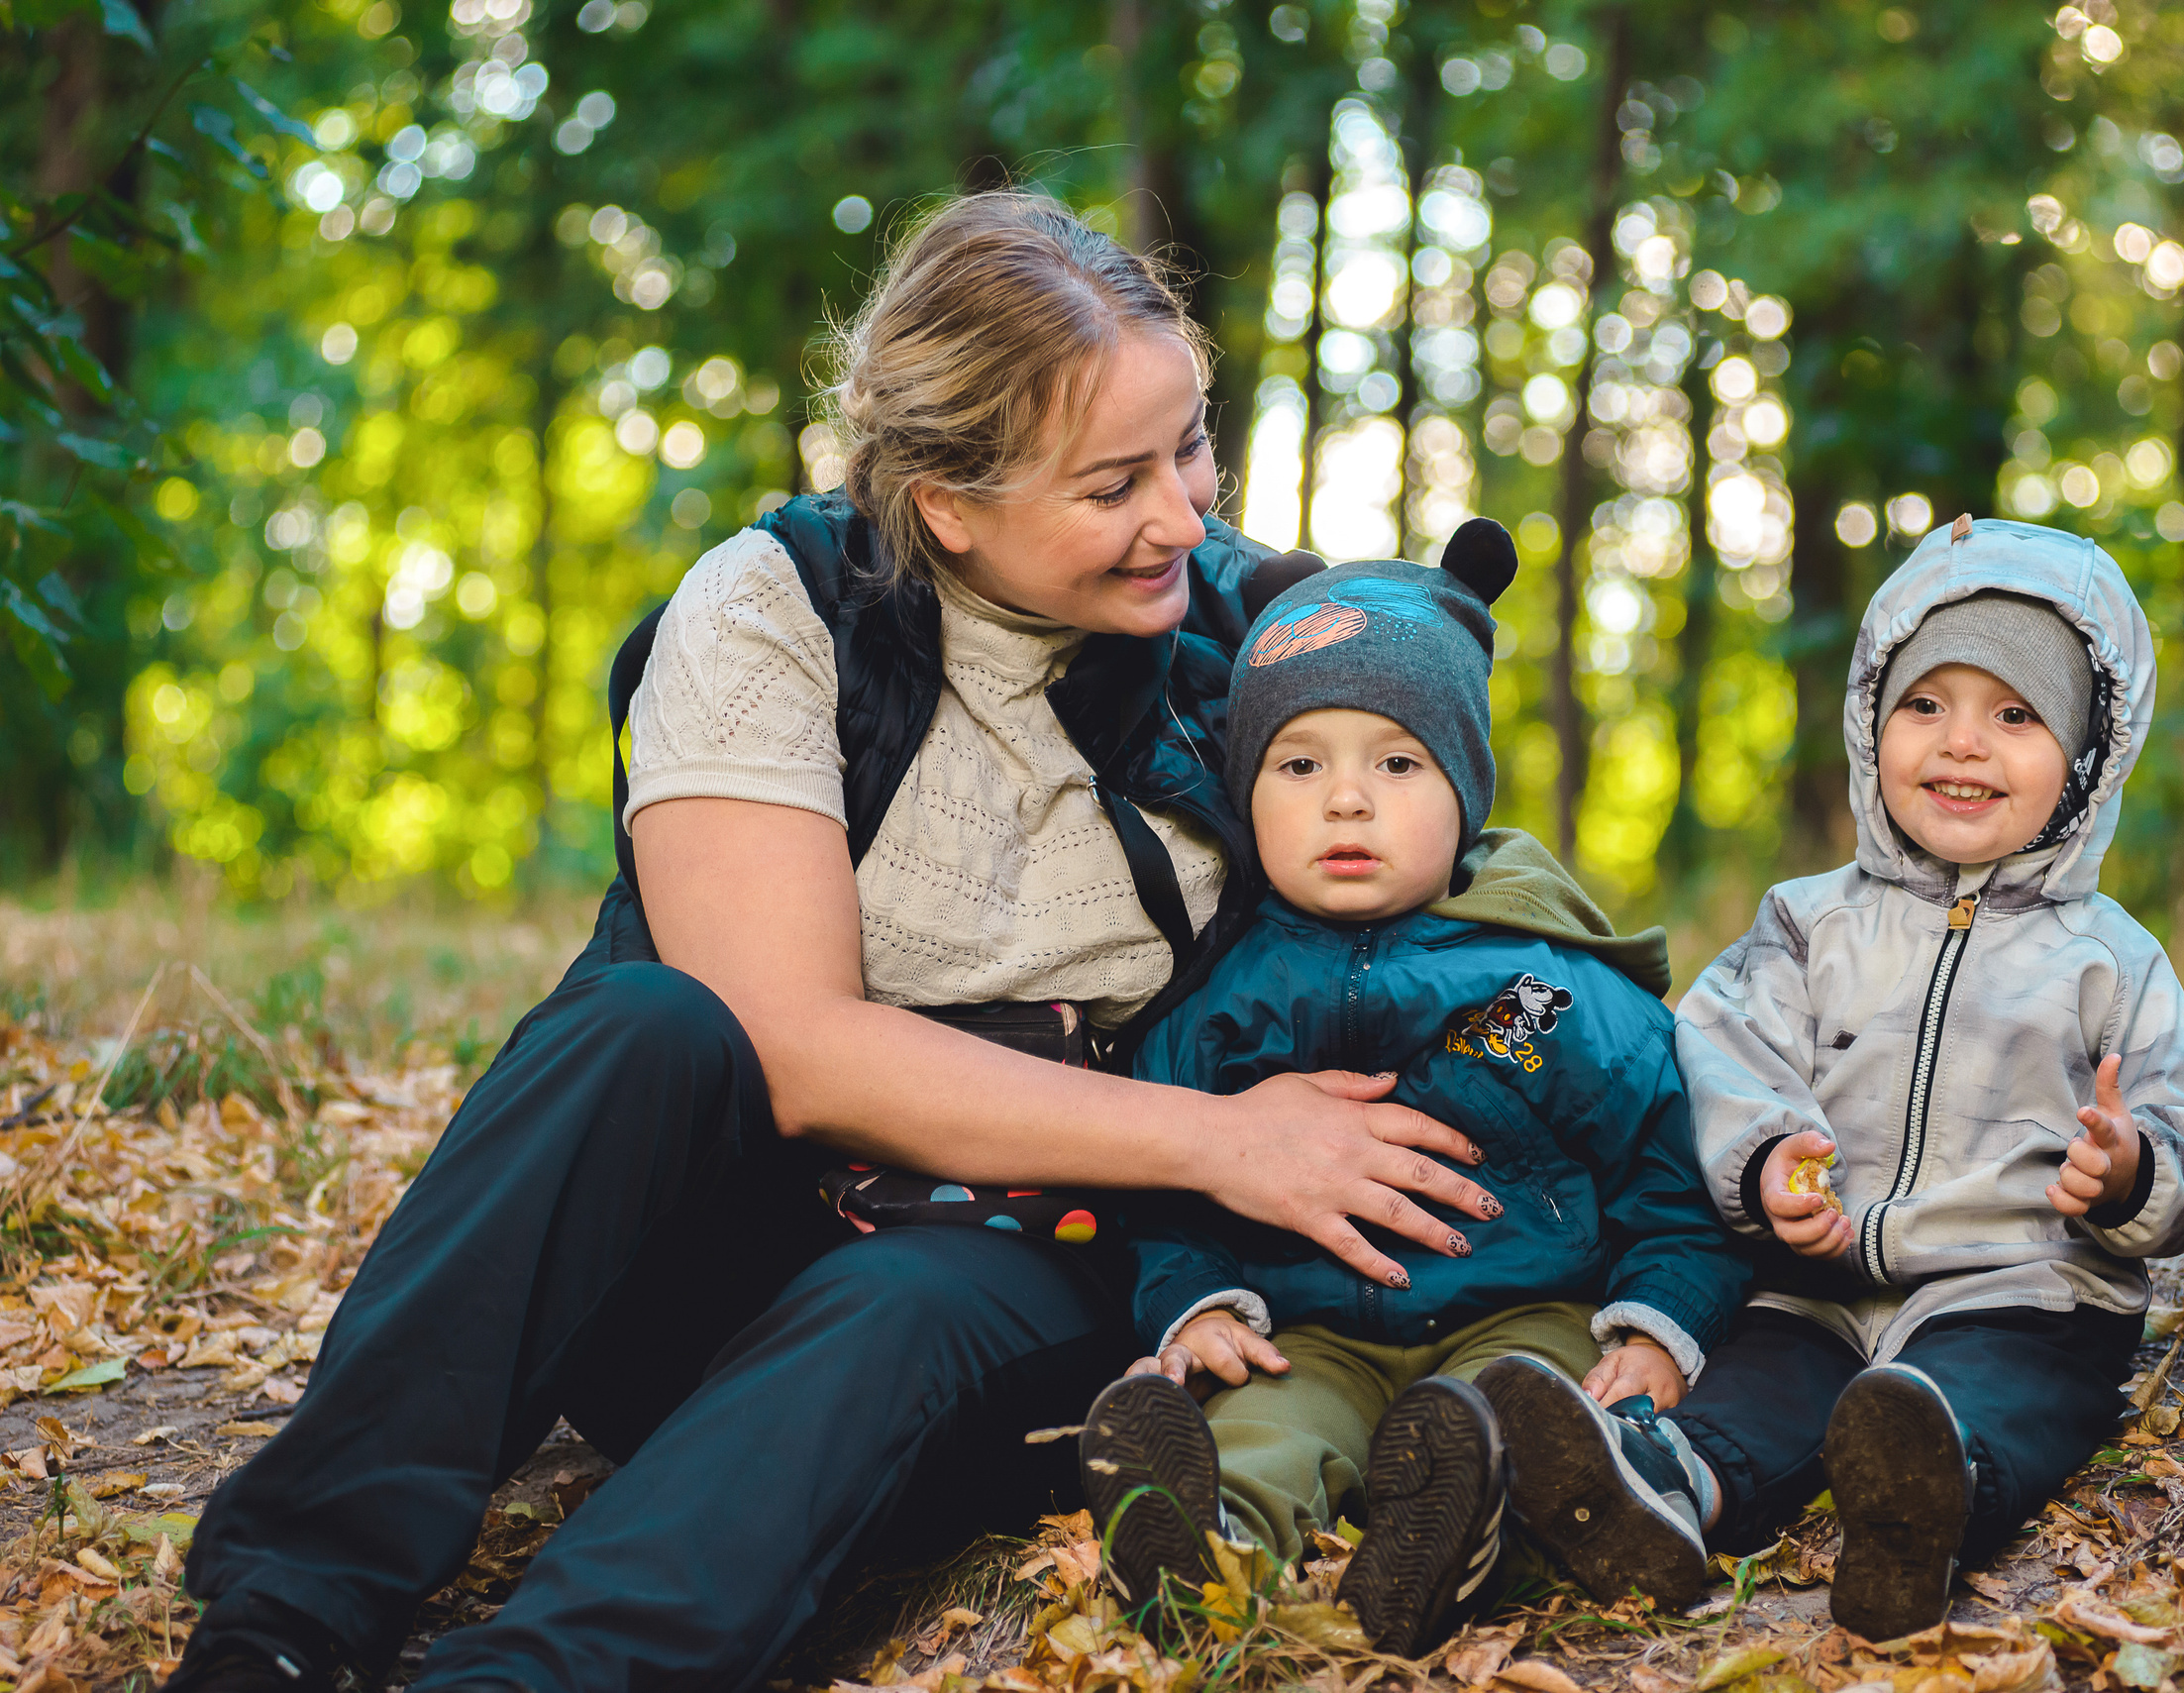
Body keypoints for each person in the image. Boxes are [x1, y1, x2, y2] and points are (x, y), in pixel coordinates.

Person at [165, 192, 1505, 1693]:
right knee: (645, 1024)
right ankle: (285, 1615)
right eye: (1114, 481)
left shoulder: (1255, 639)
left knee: (910, 1291)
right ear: (948, 502)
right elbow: (786, 1045)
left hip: (1015, 1291)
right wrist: (1221, 1139)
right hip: (705, 1267)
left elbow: (1463, 881)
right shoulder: (774, 608)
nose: (1186, 517)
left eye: (1191, 445)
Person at [1073, 529, 1750, 1658]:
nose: (1347, 800)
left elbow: (1666, 1160)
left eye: (1397, 764)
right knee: (1267, 1432)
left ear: (1465, 788)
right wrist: (1194, 1305)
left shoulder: (1538, 983)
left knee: (1528, 1424)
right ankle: (1202, 1550)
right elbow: (1161, 1193)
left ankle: (1449, 1536)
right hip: (1308, 1328)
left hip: (1518, 1307)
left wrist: (1660, 1322)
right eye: (1300, 766)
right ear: (1249, 797)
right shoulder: (1221, 999)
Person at [1662, 517, 2184, 1640]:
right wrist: (1764, 1155)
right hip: (1815, 1284)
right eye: (1925, 704)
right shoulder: (1806, 922)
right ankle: (1659, 1492)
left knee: (1998, 1395)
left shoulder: (2111, 958)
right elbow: (1718, 1045)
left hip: (2021, 1290)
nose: (1961, 744)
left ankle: (1929, 1497)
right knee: (1750, 1392)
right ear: (1870, 721)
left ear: (2086, 759)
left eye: (2014, 714)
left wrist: (2131, 1171)